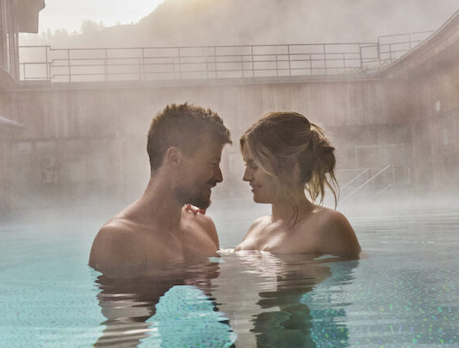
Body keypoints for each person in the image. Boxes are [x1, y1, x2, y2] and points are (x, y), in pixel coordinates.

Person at [88, 102, 231, 273]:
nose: (219, 177)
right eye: (212, 164)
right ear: (174, 158)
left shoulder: (204, 226)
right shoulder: (117, 240)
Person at [233, 111, 361, 259]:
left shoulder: (328, 225)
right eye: (246, 165)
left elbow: (347, 279)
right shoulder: (257, 226)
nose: (246, 177)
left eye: (254, 165)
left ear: (291, 167)